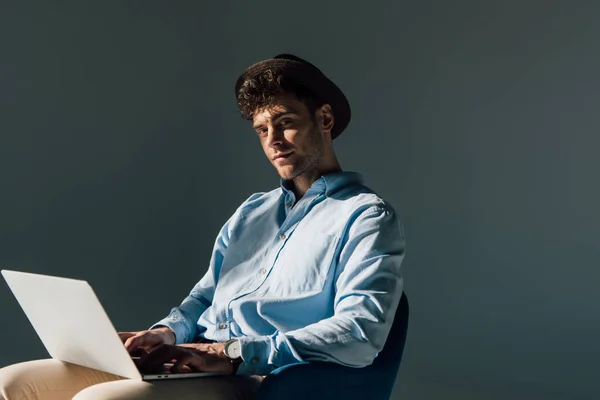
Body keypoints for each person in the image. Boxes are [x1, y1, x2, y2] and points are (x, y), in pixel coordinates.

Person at [0, 54, 405, 400]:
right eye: (262, 130)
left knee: (102, 398)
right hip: (192, 358)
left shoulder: (366, 217)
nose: (273, 140)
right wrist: (167, 334)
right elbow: (204, 297)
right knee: (14, 383)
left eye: (285, 122)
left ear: (325, 118)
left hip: (256, 375)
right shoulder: (252, 212)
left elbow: (360, 332)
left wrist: (231, 353)